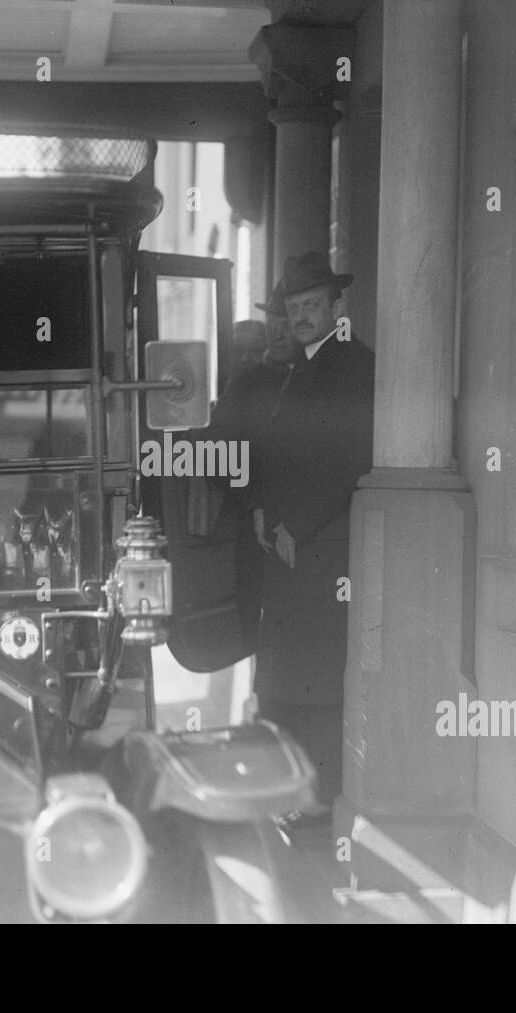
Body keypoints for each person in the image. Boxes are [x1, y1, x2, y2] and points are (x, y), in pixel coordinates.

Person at [253, 252, 375, 815]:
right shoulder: (298, 369)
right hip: (288, 547)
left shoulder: (351, 366)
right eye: (294, 307)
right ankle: (290, 793)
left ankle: (319, 799)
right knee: (286, 676)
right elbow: (278, 456)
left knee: (318, 679)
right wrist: (263, 512)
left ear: (336, 306)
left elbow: (349, 457)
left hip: (321, 547)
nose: (301, 315)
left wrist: (295, 524)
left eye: (312, 305)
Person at [205, 290, 299, 651]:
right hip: (256, 529)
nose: (281, 332)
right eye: (275, 323)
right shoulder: (245, 385)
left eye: (286, 324)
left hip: (312, 527)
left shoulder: (313, 379)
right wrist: (254, 501)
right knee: (257, 627)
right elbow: (212, 453)